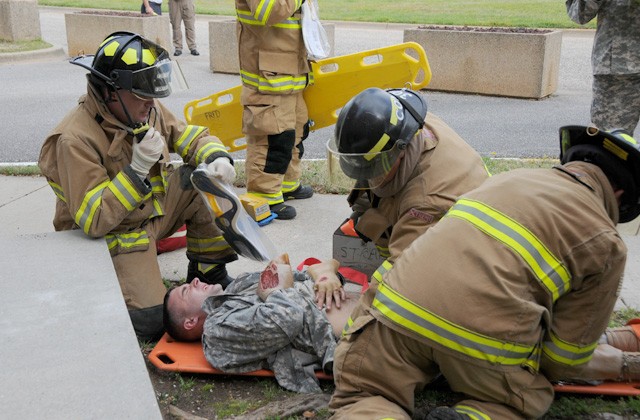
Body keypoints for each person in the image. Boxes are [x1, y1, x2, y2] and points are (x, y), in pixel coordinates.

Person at [329, 125, 640, 419]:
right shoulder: (606, 243)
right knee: (521, 399)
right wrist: (621, 365)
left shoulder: (511, 178)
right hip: (480, 342)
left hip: (398, 309)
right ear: (620, 195)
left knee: (365, 391)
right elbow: (562, 361)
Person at [38, 32, 238, 341]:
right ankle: (101, 286)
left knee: (200, 180)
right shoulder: (73, 139)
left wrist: (217, 157)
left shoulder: (142, 107)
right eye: (141, 96)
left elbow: (188, 136)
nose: (150, 103)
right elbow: (94, 220)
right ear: (110, 92)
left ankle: (206, 270)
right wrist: (137, 171)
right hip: (110, 237)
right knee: (150, 322)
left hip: (149, 216)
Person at [326, 87, 490, 280]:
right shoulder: (403, 124)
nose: (369, 177)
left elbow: (401, 276)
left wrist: (364, 305)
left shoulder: (426, 200)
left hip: (469, 251)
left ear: (400, 150)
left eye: (374, 169)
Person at [163, 255, 359, 393]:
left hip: (360, 302)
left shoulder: (238, 284)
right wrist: (274, 290)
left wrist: (327, 275)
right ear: (190, 322)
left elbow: (302, 272)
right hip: (357, 333)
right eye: (186, 290)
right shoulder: (216, 332)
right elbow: (289, 318)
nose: (195, 280)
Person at [235, 0, 314, 220]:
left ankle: (287, 185)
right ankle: (264, 196)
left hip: (288, 72)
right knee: (272, 139)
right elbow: (267, 10)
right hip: (267, 78)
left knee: (295, 133)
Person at [566, 0, 640, 135]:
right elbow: (580, 15)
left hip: (619, 65)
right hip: (620, 68)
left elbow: (580, 15)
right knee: (612, 143)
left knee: (611, 143)